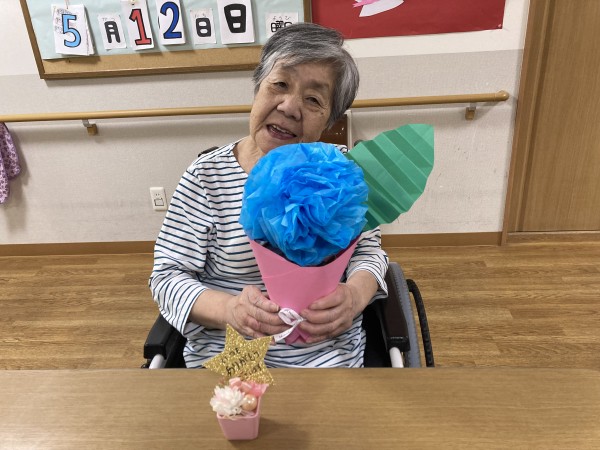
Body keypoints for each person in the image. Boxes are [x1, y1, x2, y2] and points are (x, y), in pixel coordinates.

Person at [149, 23, 388, 368]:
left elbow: (368, 253)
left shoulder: (343, 175)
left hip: (328, 359)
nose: (289, 107)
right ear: (257, 88)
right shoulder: (207, 176)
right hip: (229, 360)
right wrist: (229, 309)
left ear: (330, 120)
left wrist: (354, 296)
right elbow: (167, 276)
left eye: (313, 99)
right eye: (279, 84)